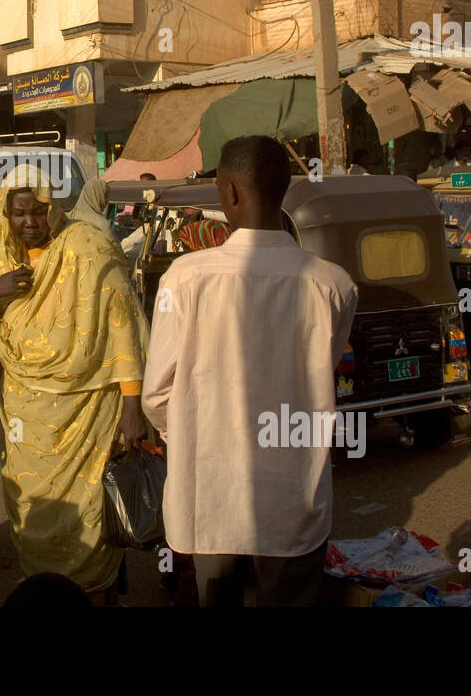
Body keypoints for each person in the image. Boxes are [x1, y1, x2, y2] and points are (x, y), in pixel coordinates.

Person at [142, 136, 358, 607]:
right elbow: (324, 367)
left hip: (210, 505)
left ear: (230, 193)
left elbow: (156, 394)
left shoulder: (183, 278)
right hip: (294, 507)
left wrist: (181, 433)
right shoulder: (334, 285)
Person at [0, 164, 150, 600]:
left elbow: (124, 329)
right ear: (5, 215)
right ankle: (45, 596)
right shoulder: (2, 263)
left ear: (54, 206)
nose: (29, 222)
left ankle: (95, 593)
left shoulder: (90, 247)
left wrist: (131, 407)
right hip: (26, 421)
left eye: (38, 210)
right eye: (18, 213)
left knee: (89, 512)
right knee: (32, 510)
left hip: (86, 412)